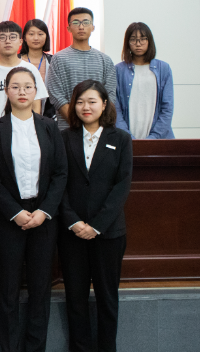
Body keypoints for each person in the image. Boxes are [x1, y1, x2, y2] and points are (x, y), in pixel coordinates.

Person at [0, 67, 68, 352]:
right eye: (16, 86)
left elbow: (60, 173)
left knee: (40, 289)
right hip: (8, 217)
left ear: (36, 91)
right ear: (6, 91)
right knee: (7, 289)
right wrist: (14, 211)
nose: (22, 92)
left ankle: (35, 347)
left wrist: (44, 211)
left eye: (28, 87)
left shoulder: (49, 127)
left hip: (43, 217)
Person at [59, 80, 133, 352]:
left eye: (92, 101)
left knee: (107, 298)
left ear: (104, 104)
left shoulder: (121, 139)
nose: (85, 107)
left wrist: (97, 225)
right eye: (79, 102)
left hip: (108, 233)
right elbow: (58, 183)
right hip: (72, 233)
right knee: (75, 298)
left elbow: (122, 185)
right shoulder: (63, 138)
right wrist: (74, 222)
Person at [45, 8, 120, 131]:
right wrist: (77, 123)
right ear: (68, 28)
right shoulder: (58, 59)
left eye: (86, 22)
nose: (81, 27)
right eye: (76, 22)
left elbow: (110, 95)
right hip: (68, 130)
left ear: (93, 27)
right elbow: (56, 96)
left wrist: (94, 125)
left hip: (99, 130)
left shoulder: (105, 60)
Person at [0, 21, 49, 140]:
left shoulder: (30, 69)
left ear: (20, 41)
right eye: (2, 37)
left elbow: (36, 104)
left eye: (13, 37)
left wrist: (31, 129)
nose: (7, 41)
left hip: (26, 134)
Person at [115, 22, 175, 139]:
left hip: (160, 139)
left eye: (143, 39)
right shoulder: (118, 70)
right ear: (127, 43)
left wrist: (153, 138)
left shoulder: (163, 68)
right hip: (126, 140)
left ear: (149, 41)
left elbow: (167, 108)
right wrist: (128, 138)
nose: (138, 44)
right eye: (133, 39)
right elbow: (115, 109)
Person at [19, 19, 56, 119]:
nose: (36, 38)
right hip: (18, 114)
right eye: (31, 34)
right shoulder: (16, 60)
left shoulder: (53, 61)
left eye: (40, 34)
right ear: (24, 38)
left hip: (49, 116)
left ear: (46, 36)